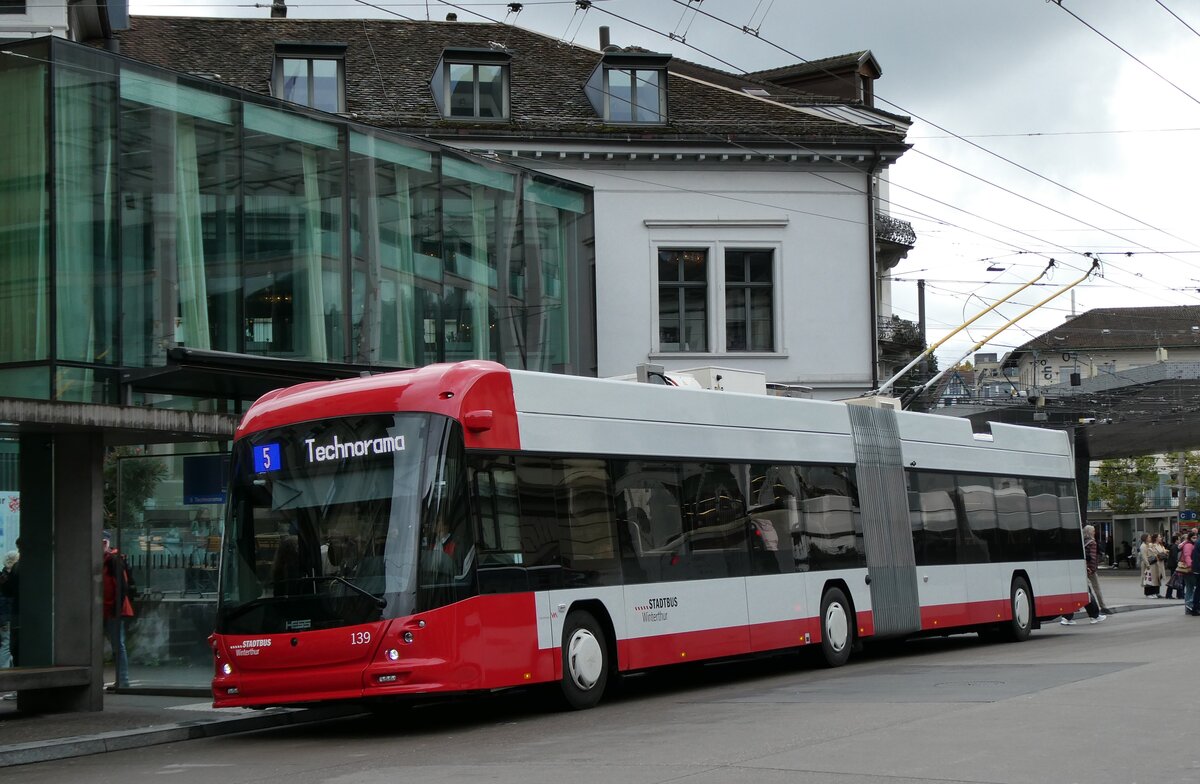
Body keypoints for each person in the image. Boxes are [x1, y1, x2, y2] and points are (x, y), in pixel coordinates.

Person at [102, 530, 135, 690]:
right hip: (106, 608)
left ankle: (123, 679)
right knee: (116, 644)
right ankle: (121, 679)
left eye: (103, 542)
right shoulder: (106, 560)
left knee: (118, 644)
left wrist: (116, 607)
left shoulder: (113, 560)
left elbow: (122, 586)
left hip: (112, 609)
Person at [1083, 525, 1112, 614]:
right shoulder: (1092, 543)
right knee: (1097, 588)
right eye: (1093, 531)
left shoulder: (1083, 542)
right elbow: (1092, 557)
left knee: (1083, 589)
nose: (1095, 533)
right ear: (1090, 532)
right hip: (1090, 569)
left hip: (1082, 568)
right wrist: (1092, 569)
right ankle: (1102, 606)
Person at [1180, 530, 1197, 615]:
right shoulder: (1189, 545)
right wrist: (1191, 566)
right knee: (1194, 588)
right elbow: (1187, 556)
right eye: (1193, 537)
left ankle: (1188, 607)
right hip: (1189, 570)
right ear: (1190, 538)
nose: (1195, 539)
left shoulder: (1188, 544)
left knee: (1189, 588)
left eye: (1196, 537)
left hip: (1187, 570)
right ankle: (1189, 604)